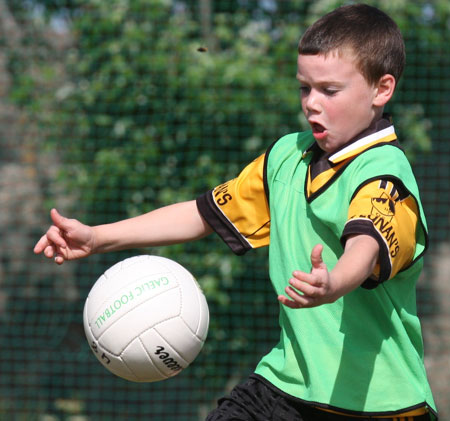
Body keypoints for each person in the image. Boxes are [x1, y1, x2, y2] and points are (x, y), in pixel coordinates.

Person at [34, 4, 437, 420]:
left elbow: (366, 245)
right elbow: (202, 214)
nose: (311, 104)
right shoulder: (287, 156)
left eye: (329, 91)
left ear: (381, 89)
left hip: (379, 405)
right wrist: (99, 237)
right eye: (304, 88)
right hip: (286, 385)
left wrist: (334, 282)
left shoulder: (386, 171)